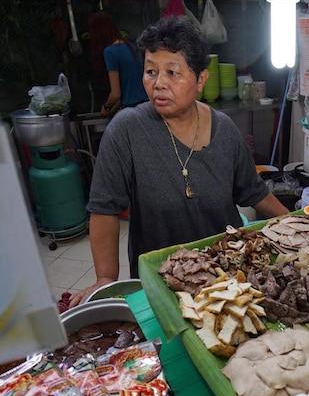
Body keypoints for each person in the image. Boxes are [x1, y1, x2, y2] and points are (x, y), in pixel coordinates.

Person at [68, 16, 290, 308]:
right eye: (150, 71)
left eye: (173, 73)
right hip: (162, 282)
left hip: (226, 280)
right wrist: (105, 279)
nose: (159, 84)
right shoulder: (127, 130)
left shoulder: (224, 129)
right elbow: (103, 209)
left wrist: (296, 225)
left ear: (200, 80)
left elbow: (253, 191)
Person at [88, 11, 147, 116]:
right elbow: (128, 89)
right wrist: (112, 109)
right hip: (147, 104)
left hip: (132, 110)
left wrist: (106, 107)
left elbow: (116, 94)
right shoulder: (130, 46)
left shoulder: (110, 52)